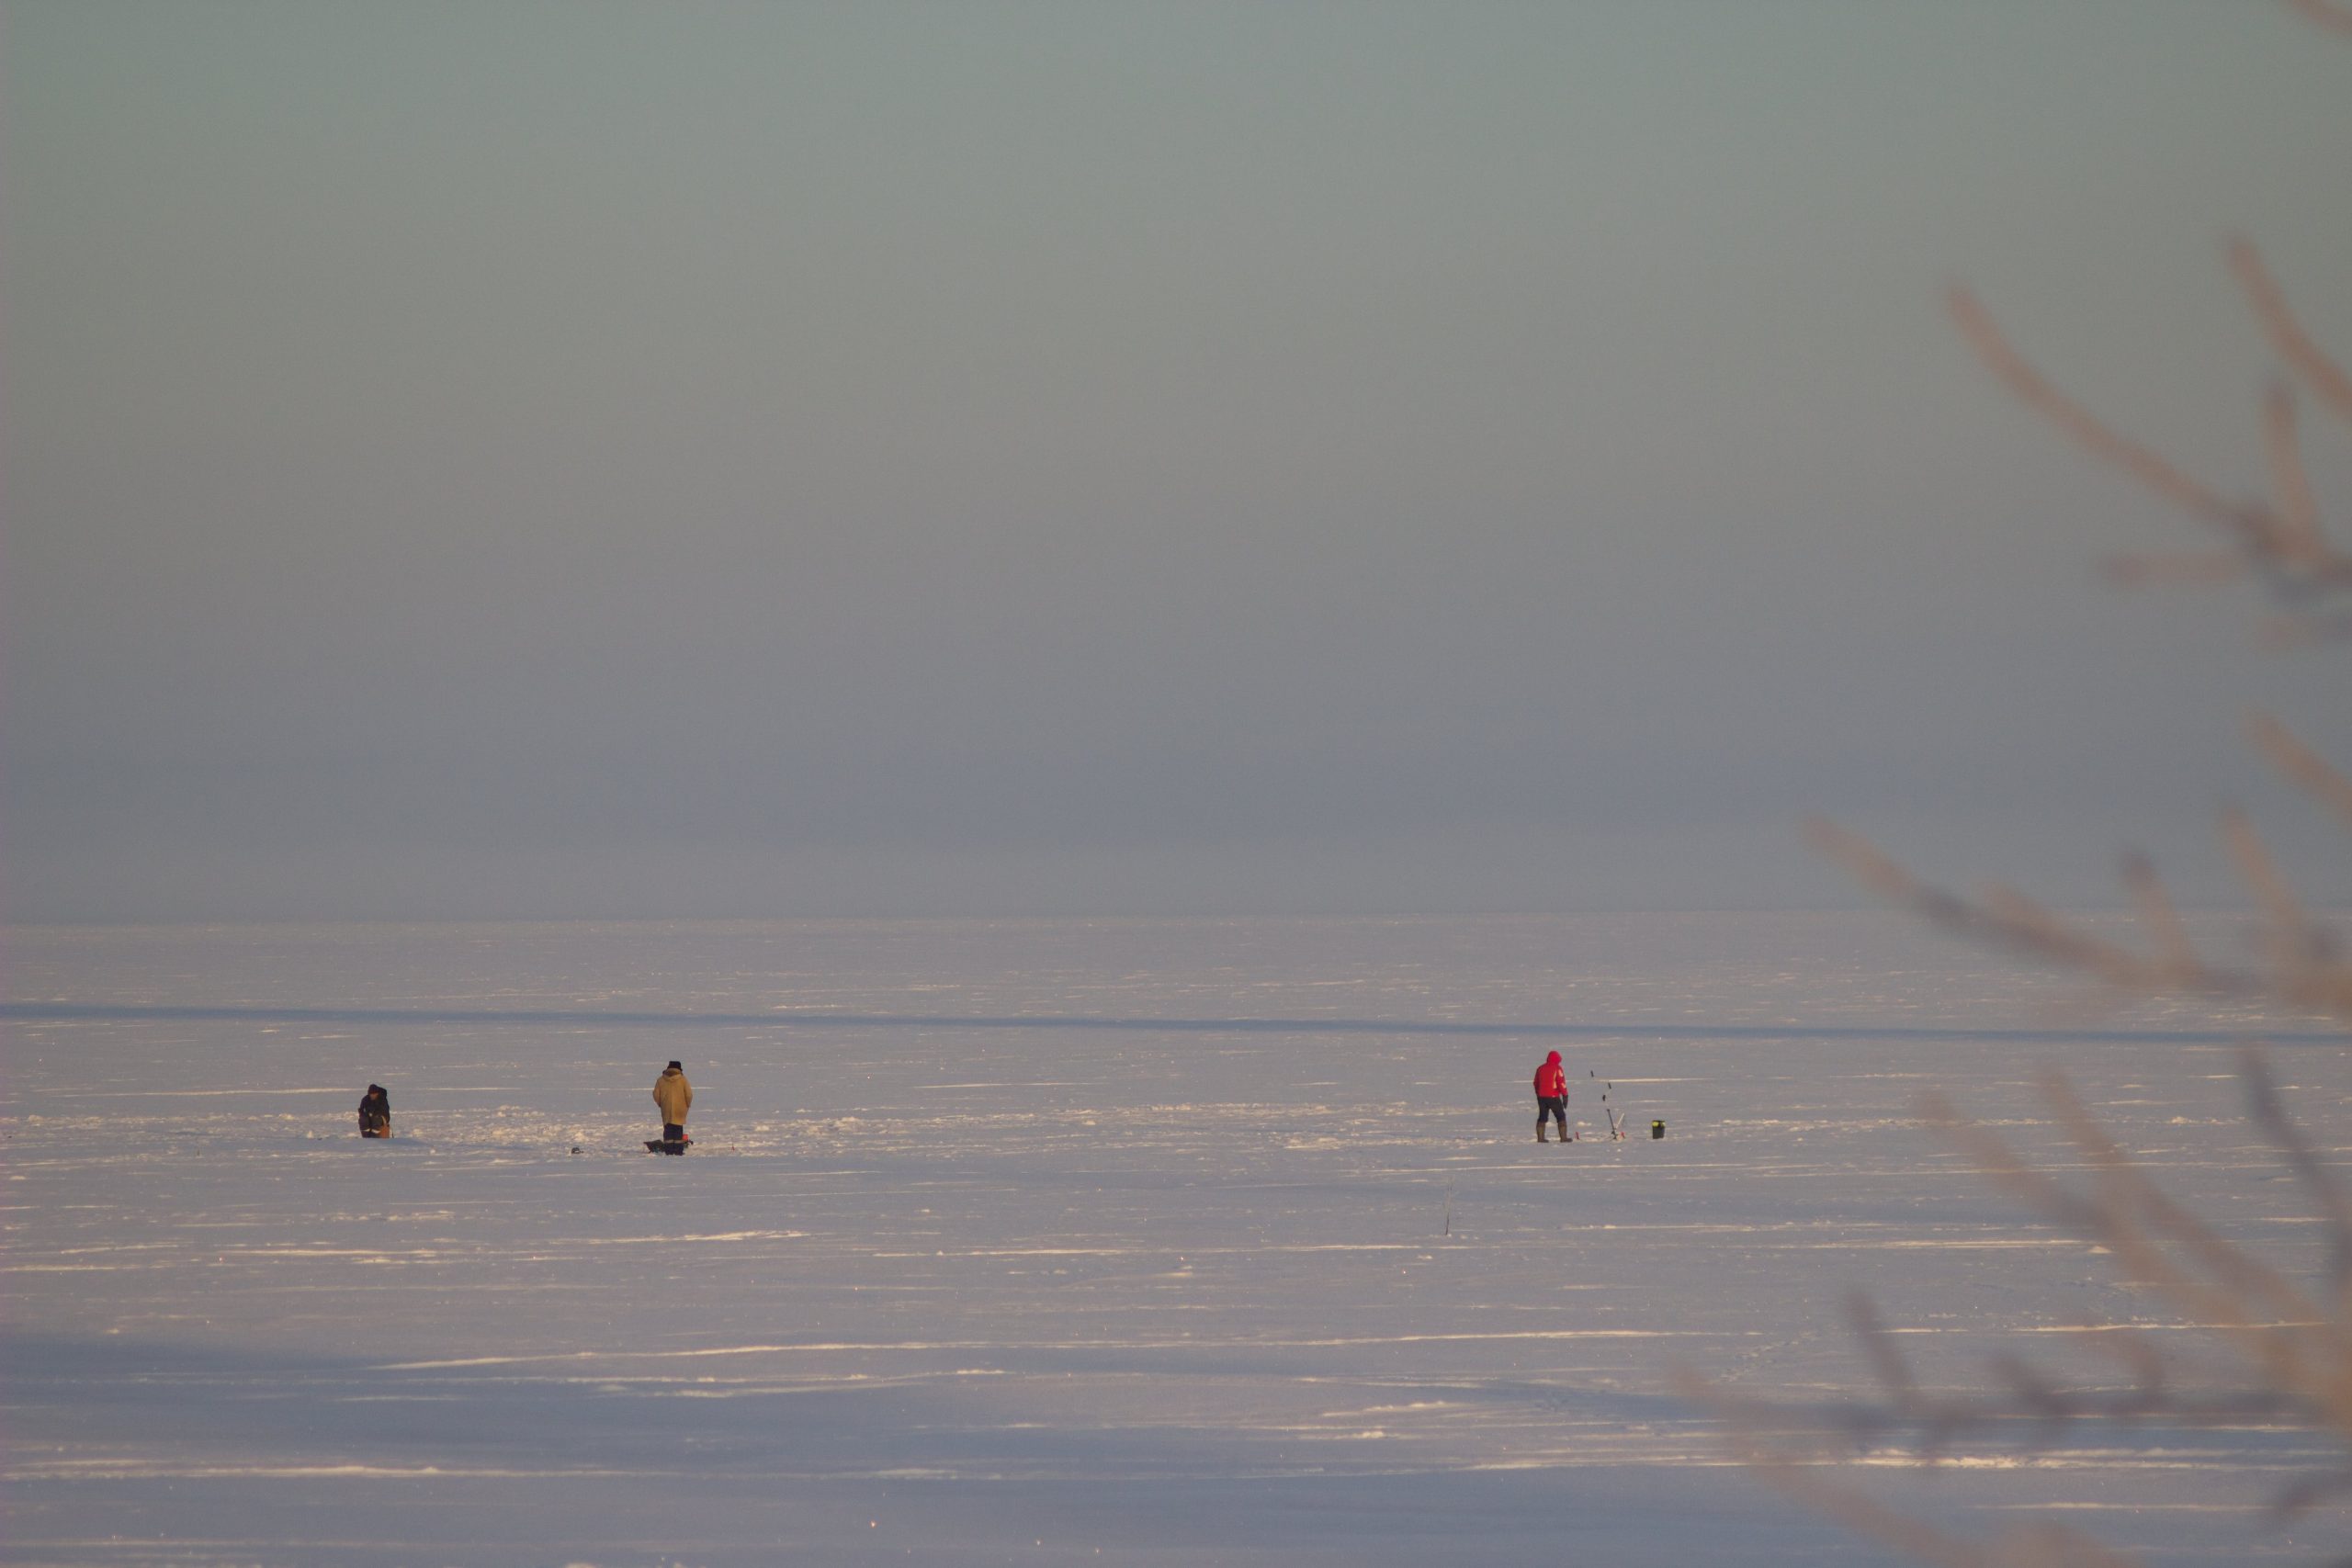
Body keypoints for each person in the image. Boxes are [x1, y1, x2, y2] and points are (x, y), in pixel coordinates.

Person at [651, 1060, 693, 1154]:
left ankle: (669, 1150)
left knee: (668, 1129)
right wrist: (687, 1104)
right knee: (678, 1129)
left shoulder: (660, 1080)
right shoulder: (683, 1080)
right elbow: (689, 1095)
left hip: (666, 1109)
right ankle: (678, 1151)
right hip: (680, 1110)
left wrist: (661, 1104)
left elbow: (655, 1095)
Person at [1533, 1051, 1568, 1143]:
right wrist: (1565, 1095)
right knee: (1561, 1116)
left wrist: (1538, 1093)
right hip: (1553, 1097)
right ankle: (1563, 1138)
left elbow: (1536, 1083)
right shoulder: (1557, 1068)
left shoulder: (1540, 1068)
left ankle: (1540, 1138)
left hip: (1541, 1097)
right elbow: (1561, 1083)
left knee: (1542, 1117)